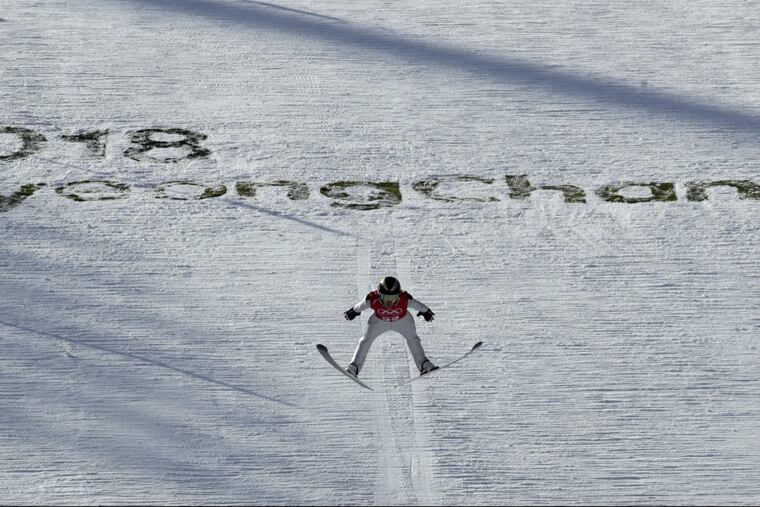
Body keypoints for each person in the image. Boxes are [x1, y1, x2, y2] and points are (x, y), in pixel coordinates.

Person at [343, 276, 438, 377]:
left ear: (398, 294)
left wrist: (426, 311)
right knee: (365, 340)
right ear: (379, 294)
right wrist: (354, 311)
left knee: (413, 339)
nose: (389, 302)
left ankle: (424, 365)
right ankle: (354, 367)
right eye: (385, 297)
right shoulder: (372, 299)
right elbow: (361, 305)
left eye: (392, 297)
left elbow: (418, 305)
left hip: (403, 321)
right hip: (379, 321)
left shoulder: (405, 298)